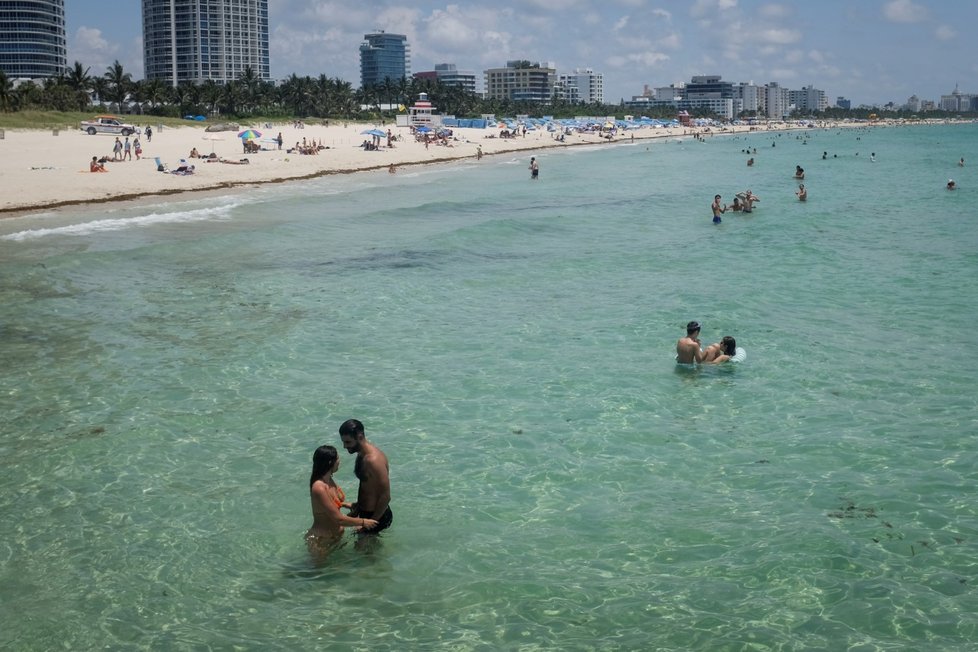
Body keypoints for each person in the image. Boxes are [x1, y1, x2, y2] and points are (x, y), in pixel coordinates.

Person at [307, 445, 379, 545]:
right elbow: (338, 519)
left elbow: (332, 504)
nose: (339, 461)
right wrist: (363, 522)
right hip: (321, 541)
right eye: (337, 458)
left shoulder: (329, 480)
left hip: (336, 537)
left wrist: (349, 505)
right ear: (330, 462)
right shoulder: (319, 487)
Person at [339, 419, 392, 534]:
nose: (344, 446)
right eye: (343, 442)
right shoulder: (361, 454)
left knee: (364, 551)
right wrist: (357, 507)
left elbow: (386, 496)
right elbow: (366, 484)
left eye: (348, 442)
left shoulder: (373, 460)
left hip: (376, 516)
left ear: (360, 437)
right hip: (366, 513)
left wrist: (370, 523)